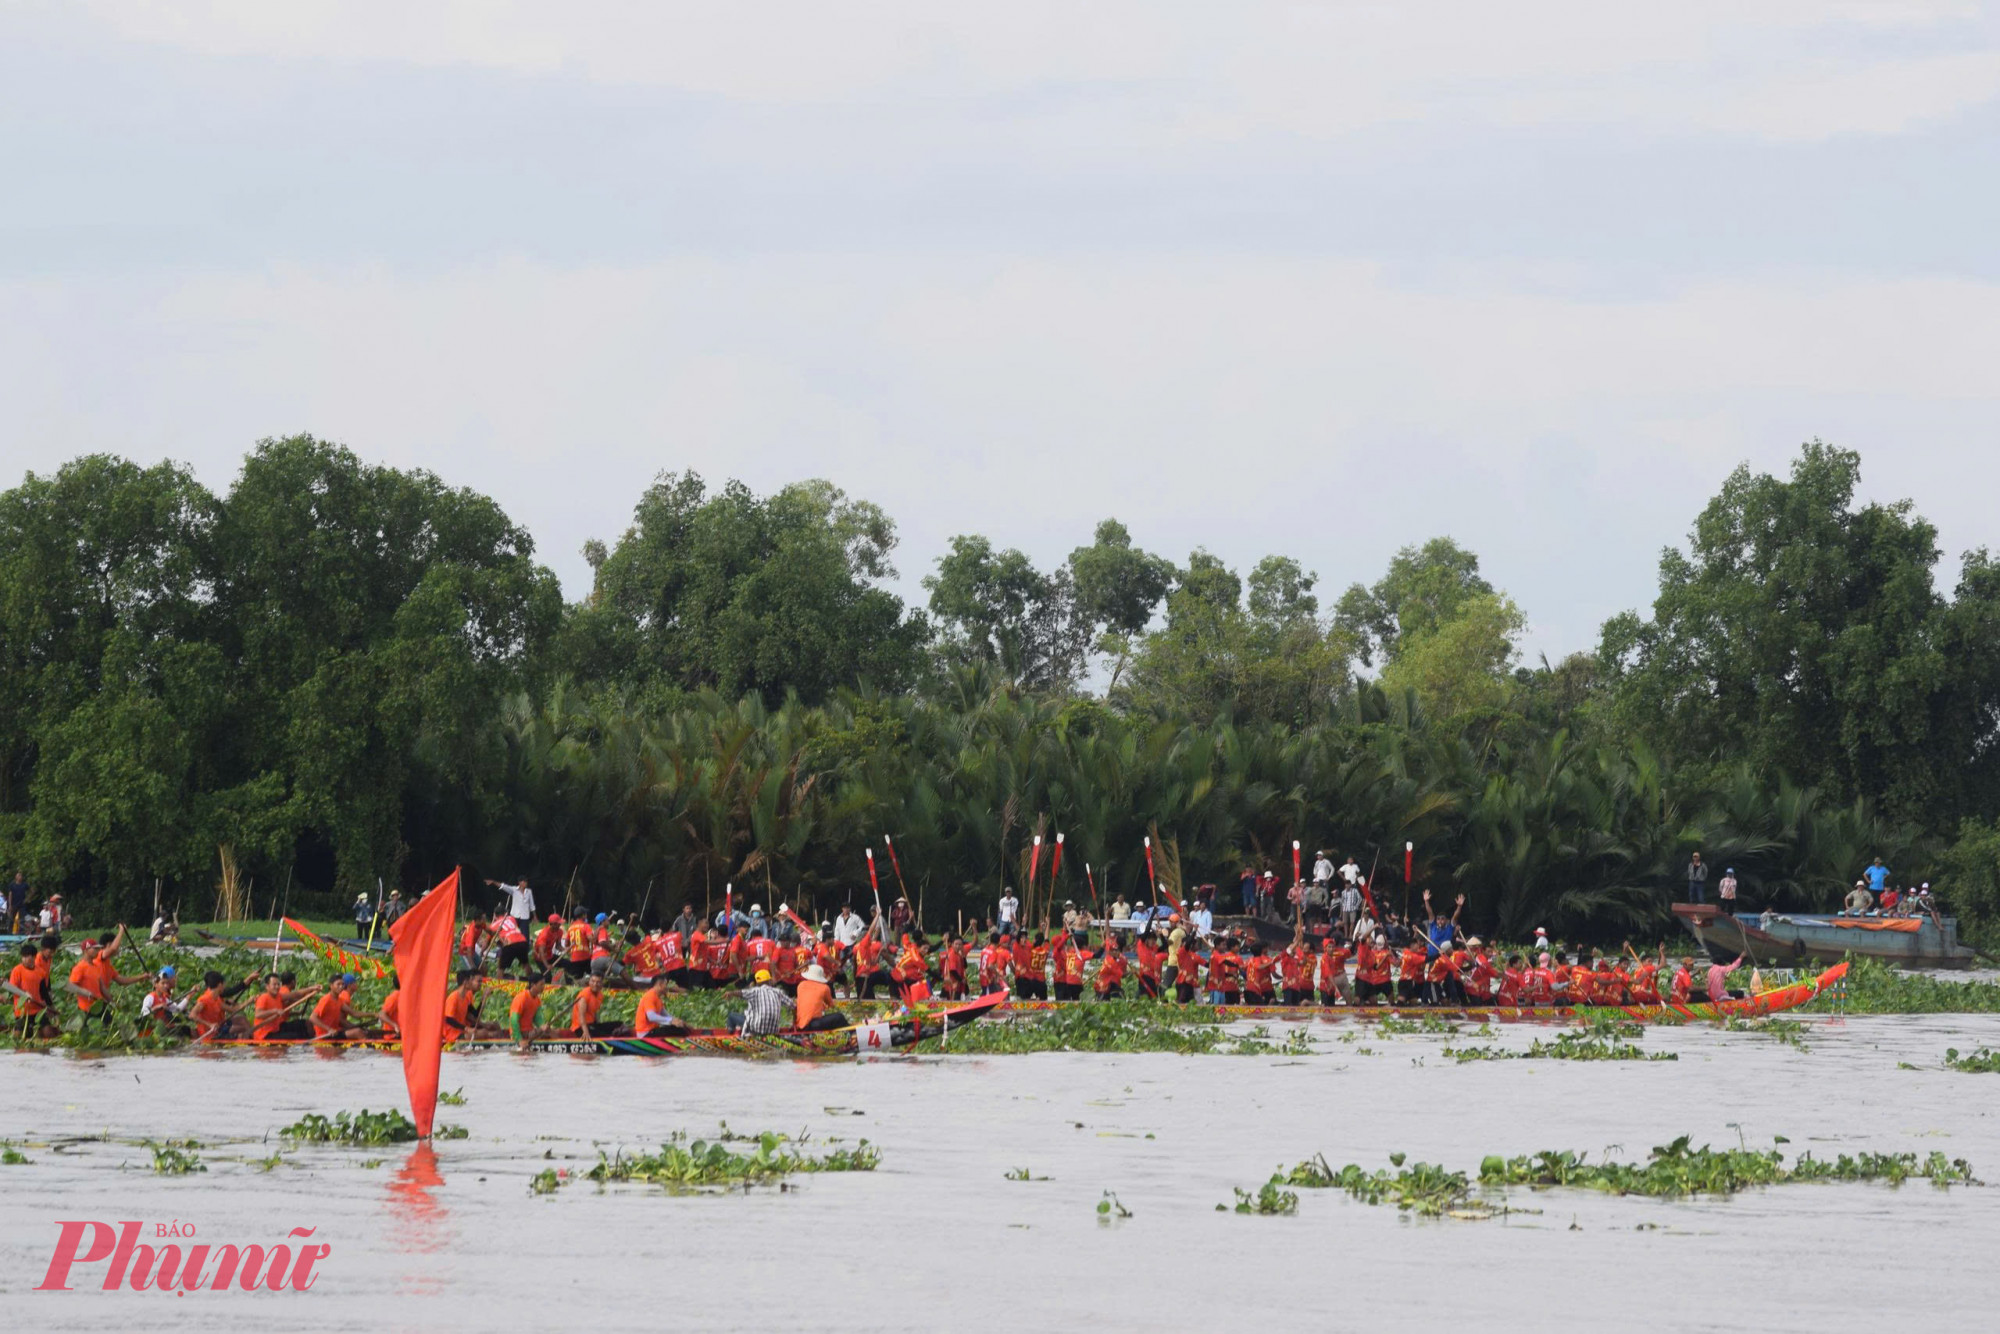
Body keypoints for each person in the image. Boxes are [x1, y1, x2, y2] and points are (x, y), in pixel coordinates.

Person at [311, 975, 374, 1042]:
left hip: (336, 1032)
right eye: (338, 984)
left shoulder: (339, 1000)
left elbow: (354, 1013)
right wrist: (329, 1029)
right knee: (357, 1032)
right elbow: (312, 1018)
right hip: (325, 1035)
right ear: (331, 986)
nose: (341, 987)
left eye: (342, 984)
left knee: (362, 1031)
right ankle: (369, 1047)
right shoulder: (326, 1000)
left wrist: (374, 1014)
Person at [735, 968, 792, 1036]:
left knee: (732, 1017)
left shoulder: (755, 991)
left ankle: (737, 1034)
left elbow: (741, 993)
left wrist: (730, 993)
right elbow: (792, 1004)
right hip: (773, 1031)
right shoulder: (778, 992)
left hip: (755, 1030)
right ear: (769, 981)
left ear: (757, 982)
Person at [796, 963, 845, 1030]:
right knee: (839, 1017)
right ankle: (852, 1033)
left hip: (801, 1023)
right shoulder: (824, 988)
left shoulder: (801, 985)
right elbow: (831, 1005)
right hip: (813, 1023)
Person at [508, 978, 548, 1046]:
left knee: (549, 1031)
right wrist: (519, 1040)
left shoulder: (537, 1000)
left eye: (544, 984)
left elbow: (538, 1018)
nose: (543, 987)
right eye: (541, 984)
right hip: (521, 1033)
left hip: (529, 1031)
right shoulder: (521, 998)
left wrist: (542, 1025)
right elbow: (513, 1020)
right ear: (533, 985)